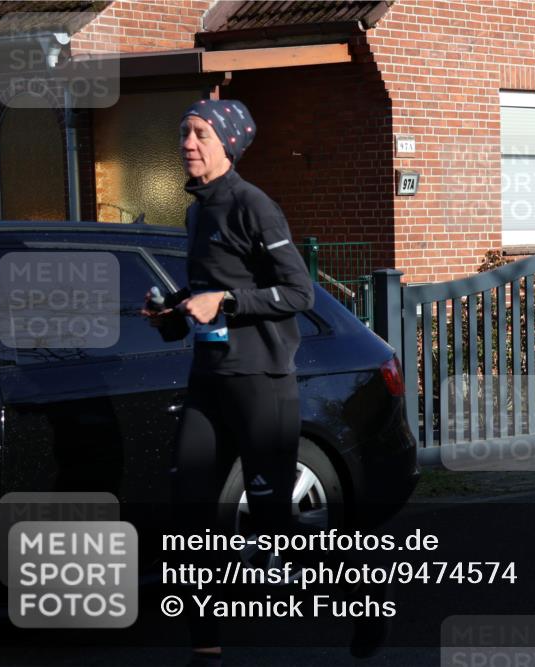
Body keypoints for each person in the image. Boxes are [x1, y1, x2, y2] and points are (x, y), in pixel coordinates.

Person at [143, 99, 315, 666]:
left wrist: (227, 301)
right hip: (209, 377)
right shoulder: (196, 212)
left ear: (229, 144)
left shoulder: (253, 205)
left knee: (273, 523)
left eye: (199, 134)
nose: (187, 143)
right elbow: (207, 287)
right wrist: (174, 311)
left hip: (260, 380)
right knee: (189, 510)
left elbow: (299, 294)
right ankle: (205, 646)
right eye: (184, 133)